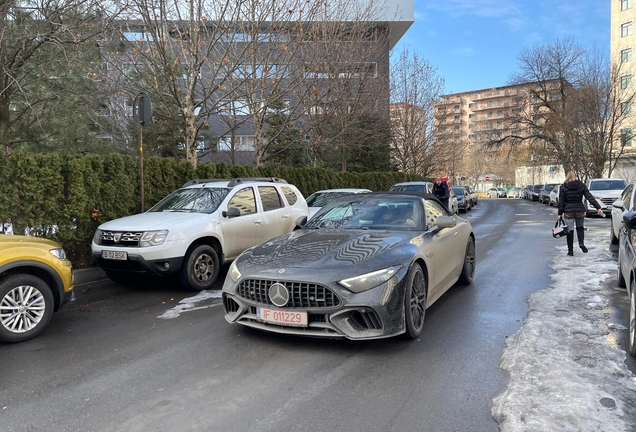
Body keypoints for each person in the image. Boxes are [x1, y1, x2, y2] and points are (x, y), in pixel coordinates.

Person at [557, 172, 604, 256]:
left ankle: (570, 251)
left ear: (567, 177)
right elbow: (590, 197)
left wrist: (560, 213)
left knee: (569, 230)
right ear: (575, 177)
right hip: (580, 210)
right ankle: (581, 243)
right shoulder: (581, 185)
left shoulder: (563, 187)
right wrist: (598, 207)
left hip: (568, 211)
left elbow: (561, 202)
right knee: (580, 227)